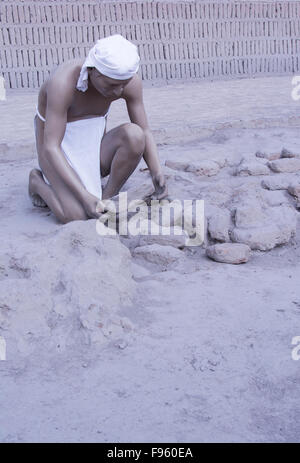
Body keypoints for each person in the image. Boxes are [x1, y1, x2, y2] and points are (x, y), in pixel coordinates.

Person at [28, 34, 168, 224]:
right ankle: (37, 182)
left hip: (92, 149)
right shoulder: (62, 83)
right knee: (74, 216)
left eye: (123, 85)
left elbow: (145, 130)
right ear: (93, 71)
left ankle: (106, 199)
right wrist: (84, 196)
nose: (118, 92)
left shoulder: (127, 81)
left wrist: (156, 172)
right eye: (112, 85)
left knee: (135, 136)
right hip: (55, 149)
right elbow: (51, 147)